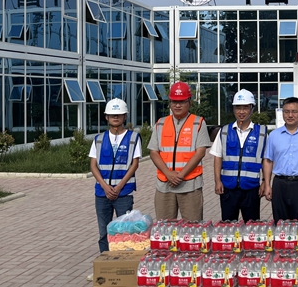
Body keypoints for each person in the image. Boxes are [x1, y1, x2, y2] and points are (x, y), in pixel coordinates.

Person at [148, 81, 211, 221]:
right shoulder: (161, 123)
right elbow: (153, 152)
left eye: (182, 101)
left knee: (193, 228)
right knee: (164, 228)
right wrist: (168, 174)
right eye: (174, 101)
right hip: (165, 184)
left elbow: (200, 152)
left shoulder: (198, 122)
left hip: (190, 185)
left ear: (190, 102)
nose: (177, 105)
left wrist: (180, 176)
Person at [90, 98, 141, 253]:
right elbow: (93, 165)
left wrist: (118, 187)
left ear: (125, 116)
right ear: (106, 117)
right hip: (102, 193)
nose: (116, 117)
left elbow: (134, 164)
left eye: (119, 114)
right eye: (112, 115)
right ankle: (105, 262)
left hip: (124, 193)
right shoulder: (99, 139)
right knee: (104, 233)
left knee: (124, 232)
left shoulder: (133, 138)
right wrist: (105, 187)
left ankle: (123, 262)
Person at [261, 97, 298, 223]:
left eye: (294, 111)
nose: (290, 115)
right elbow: (268, 161)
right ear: (282, 113)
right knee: (280, 223)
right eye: (286, 111)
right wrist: (267, 185)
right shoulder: (274, 135)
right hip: (279, 184)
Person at [210, 89, 267, 222]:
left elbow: (266, 160)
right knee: (228, 226)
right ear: (233, 109)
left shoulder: (261, 133)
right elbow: (218, 157)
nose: (241, 112)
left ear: (252, 109)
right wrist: (217, 181)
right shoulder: (224, 131)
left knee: (252, 226)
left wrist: (265, 182)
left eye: (245, 108)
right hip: (228, 188)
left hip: (251, 188)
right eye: (238, 108)